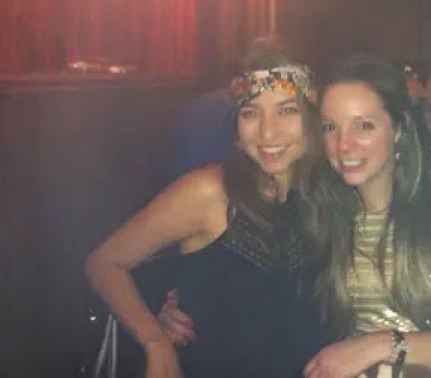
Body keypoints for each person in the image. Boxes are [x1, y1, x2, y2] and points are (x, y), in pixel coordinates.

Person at [85, 37, 332, 377]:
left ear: (312, 117)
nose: (268, 131)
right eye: (251, 113)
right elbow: (105, 263)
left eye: (286, 110)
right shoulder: (210, 192)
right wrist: (155, 341)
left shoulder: (332, 195)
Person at [301, 55, 431, 377]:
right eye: (331, 127)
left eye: (364, 125)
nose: (343, 144)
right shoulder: (323, 211)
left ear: (398, 128)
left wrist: (380, 345)